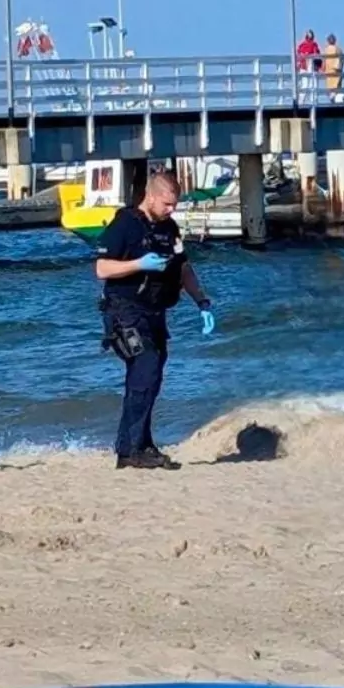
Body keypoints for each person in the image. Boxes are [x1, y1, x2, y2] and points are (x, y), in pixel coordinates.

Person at [93, 172, 216, 470]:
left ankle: (140, 446)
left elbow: (183, 267)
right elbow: (102, 269)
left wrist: (202, 302)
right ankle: (130, 450)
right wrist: (139, 263)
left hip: (155, 312)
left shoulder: (169, 227)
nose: (171, 209)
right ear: (151, 196)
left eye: (174, 204)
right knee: (144, 371)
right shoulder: (124, 224)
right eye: (167, 204)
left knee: (152, 378)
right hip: (124, 310)